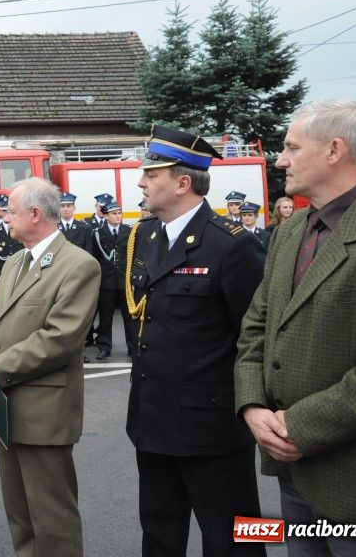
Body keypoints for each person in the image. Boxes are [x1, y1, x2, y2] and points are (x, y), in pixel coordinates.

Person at [236, 99, 356, 554]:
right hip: (295, 480)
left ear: (334, 150)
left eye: (290, 147)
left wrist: (299, 428)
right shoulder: (291, 231)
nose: (280, 159)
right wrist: (252, 406)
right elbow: (256, 329)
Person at [125, 125, 265, 557]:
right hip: (152, 422)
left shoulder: (231, 246)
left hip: (212, 431)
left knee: (234, 539)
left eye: (152, 174)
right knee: (160, 536)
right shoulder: (143, 237)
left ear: (183, 182)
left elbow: (254, 338)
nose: (140, 181)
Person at [0, 177, 100, 557]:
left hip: (45, 412)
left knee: (52, 517)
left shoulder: (78, 265)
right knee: (20, 512)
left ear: (34, 213)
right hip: (6, 408)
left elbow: (58, 339)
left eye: (10, 211)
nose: (4, 218)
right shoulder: (14, 261)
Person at [89, 200, 136, 360]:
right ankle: (104, 347)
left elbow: (134, 256)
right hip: (106, 282)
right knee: (105, 317)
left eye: (119, 213)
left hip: (124, 281)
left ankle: (132, 346)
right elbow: (94, 257)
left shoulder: (128, 231)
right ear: (106, 215)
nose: (118, 216)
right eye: (114, 214)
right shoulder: (98, 233)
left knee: (129, 317)